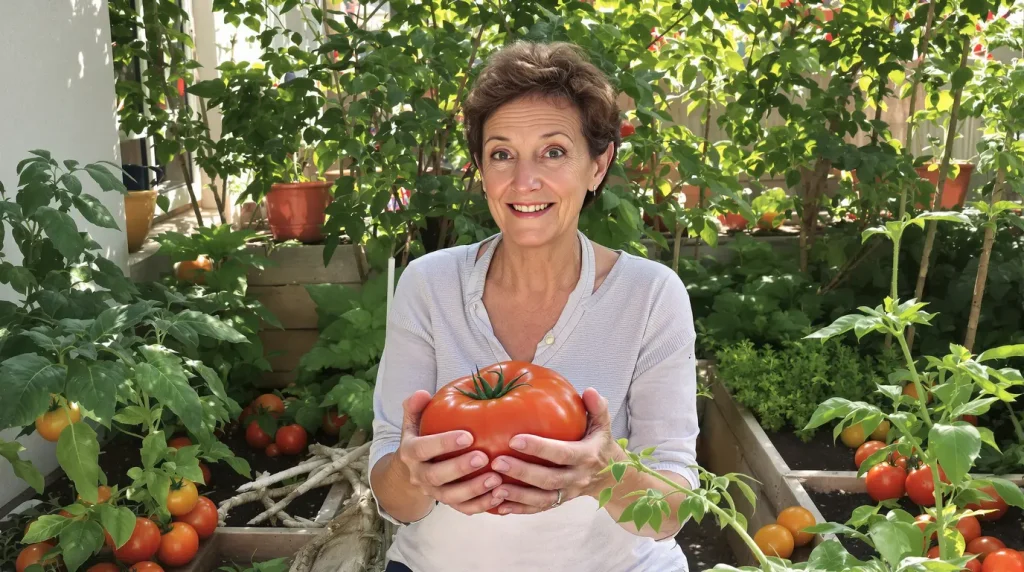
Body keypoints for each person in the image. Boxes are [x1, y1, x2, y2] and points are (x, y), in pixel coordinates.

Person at [368, 40, 700, 572]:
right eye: (502, 154)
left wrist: (604, 473)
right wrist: (411, 472)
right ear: (480, 168)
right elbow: (392, 499)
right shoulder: (428, 285)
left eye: (553, 151)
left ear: (598, 165)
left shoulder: (650, 296)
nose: (525, 181)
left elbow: (673, 509)